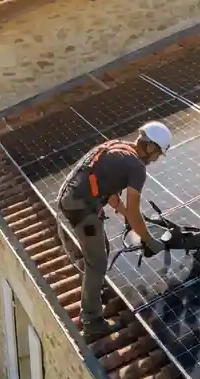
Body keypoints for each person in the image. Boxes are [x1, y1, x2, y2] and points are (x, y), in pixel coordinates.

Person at [57, 122, 172, 339]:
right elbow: (135, 211)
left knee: (102, 248)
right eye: (157, 154)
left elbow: (108, 191)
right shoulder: (136, 167)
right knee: (97, 262)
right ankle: (91, 321)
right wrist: (148, 239)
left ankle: (92, 290)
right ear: (149, 146)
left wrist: (125, 214)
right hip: (81, 207)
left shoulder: (117, 147)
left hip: (73, 199)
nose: (155, 160)